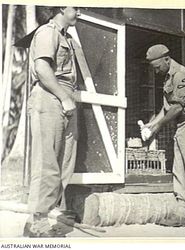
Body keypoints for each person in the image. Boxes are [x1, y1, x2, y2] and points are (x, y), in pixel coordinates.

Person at [24, 6, 80, 237]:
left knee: (65, 164)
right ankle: (37, 223)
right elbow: (42, 68)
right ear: (60, 8)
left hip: (64, 98)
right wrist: (65, 98)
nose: (79, 12)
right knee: (47, 164)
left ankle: (42, 216)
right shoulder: (48, 32)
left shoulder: (65, 36)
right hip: (50, 96)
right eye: (75, 7)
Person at [143, 44, 185, 233]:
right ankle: (182, 213)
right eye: (153, 68)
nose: (156, 71)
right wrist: (151, 124)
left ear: (166, 59)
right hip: (181, 125)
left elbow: (178, 107)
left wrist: (158, 125)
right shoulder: (168, 75)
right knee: (179, 169)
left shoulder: (179, 74)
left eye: (157, 67)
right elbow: (167, 108)